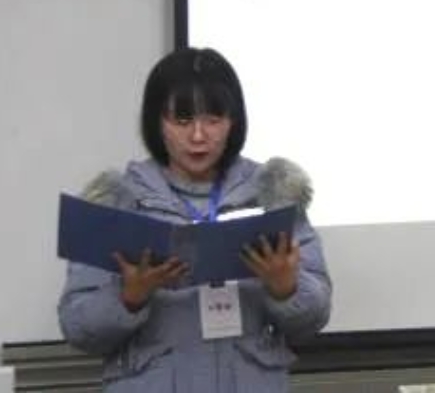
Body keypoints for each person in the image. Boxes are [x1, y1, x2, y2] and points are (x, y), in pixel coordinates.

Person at [59, 47, 332, 391]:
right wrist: (128, 297)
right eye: (182, 121)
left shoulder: (272, 193)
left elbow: (315, 316)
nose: (198, 136)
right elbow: (77, 327)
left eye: (213, 120)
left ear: (234, 121)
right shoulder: (117, 202)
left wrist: (286, 288)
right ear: (157, 122)